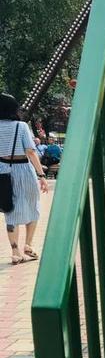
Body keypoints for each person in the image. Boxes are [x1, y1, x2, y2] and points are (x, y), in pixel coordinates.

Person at [0, 94, 49, 265]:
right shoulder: (21, 126)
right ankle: (28, 244)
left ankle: (15, 252)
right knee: (33, 205)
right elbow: (30, 151)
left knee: (9, 208)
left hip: (3, 171)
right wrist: (41, 175)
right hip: (24, 169)